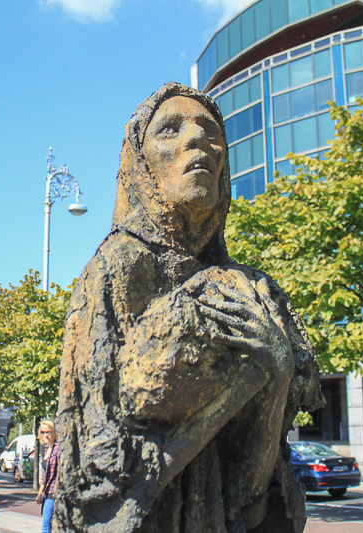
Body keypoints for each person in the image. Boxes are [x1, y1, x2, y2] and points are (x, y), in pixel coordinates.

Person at [54, 83, 320, 532]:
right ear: (139, 166)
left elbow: (256, 483)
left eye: (210, 130)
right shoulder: (116, 268)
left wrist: (274, 373)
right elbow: (94, 469)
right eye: (169, 130)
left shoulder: (255, 289)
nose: (196, 140)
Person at [36, 421, 58, 533]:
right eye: (43, 432)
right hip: (47, 492)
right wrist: (40, 492)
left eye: (48, 432)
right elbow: (46, 475)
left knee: (46, 525)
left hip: (54, 492)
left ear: (54, 433)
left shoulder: (57, 449)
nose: (45, 435)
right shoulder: (47, 450)